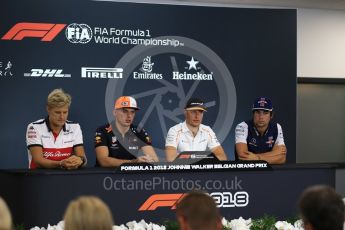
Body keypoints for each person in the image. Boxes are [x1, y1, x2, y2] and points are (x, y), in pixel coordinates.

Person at [26, 88, 86, 169]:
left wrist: (80, 160)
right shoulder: (34, 127)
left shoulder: (75, 127)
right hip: (39, 177)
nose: (62, 117)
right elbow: (38, 161)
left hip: (65, 177)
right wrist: (61, 163)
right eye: (57, 112)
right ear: (48, 109)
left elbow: (82, 157)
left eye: (65, 112)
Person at [94, 96, 158, 167]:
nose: (129, 116)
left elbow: (154, 160)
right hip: (107, 176)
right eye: (125, 111)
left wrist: (148, 160)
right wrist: (133, 162)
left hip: (131, 177)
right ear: (115, 112)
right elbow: (103, 161)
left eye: (132, 112)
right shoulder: (103, 130)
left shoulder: (139, 131)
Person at [235, 97, 286, 164]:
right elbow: (243, 157)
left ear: (271, 115)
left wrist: (257, 158)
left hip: (270, 172)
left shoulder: (277, 127)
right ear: (253, 114)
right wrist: (273, 155)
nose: (261, 117)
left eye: (265, 113)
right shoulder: (242, 126)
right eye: (258, 112)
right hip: (246, 173)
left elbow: (282, 158)